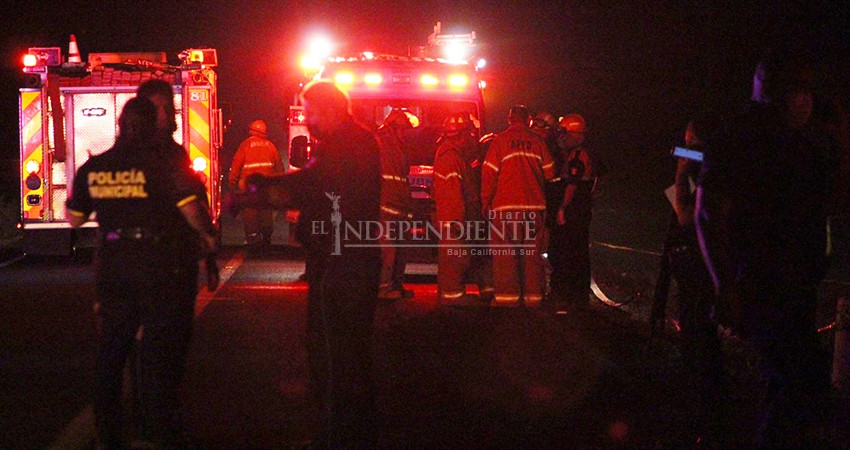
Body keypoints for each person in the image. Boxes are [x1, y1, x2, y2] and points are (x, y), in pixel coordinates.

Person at [696, 48, 839, 448]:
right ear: (771, 92)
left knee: (800, 383)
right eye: (796, 90)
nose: (805, 99)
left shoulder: (805, 143)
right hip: (761, 280)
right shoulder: (742, 138)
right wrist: (726, 286)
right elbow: (711, 213)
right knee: (792, 381)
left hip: (796, 282)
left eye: (809, 91)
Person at [232, 80, 382, 448]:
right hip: (355, 259)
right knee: (353, 353)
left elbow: (309, 185)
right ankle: (356, 432)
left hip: (338, 263)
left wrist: (256, 192)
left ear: (327, 108)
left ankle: (336, 436)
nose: (308, 118)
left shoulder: (343, 146)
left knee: (332, 356)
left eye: (310, 110)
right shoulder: (358, 141)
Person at [66, 97, 217, 449]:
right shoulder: (162, 165)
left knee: (111, 352)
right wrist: (207, 238)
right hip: (156, 264)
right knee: (155, 352)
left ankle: (108, 435)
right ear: (151, 126)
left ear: (120, 125)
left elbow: (74, 218)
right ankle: (152, 432)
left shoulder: (95, 167)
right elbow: (190, 209)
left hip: (113, 265)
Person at [481, 105, 555, 307]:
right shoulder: (538, 142)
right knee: (532, 256)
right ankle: (533, 300)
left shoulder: (499, 142)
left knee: (506, 256)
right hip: (534, 209)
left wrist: (485, 202)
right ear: (529, 120)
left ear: (509, 119)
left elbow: (489, 175)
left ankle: (507, 300)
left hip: (506, 209)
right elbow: (550, 173)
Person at [433, 112, 494, 306]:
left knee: (462, 256)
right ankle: (453, 297)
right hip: (455, 220)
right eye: (469, 134)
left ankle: (456, 295)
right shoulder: (450, 158)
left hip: (459, 219)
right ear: (461, 135)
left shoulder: (456, 157)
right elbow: (452, 195)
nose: (472, 139)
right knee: (454, 258)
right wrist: (457, 223)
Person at [547, 114, 606, 307]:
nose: (561, 138)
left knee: (566, 252)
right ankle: (577, 295)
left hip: (573, 213)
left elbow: (572, 183)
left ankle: (567, 294)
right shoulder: (587, 154)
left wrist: (562, 208)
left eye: (565, 134)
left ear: (576, 135)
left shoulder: (578, 156)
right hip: (581, 211)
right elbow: (600, 177)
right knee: (578, 253)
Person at [376, 110, 416, 300]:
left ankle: (395, 285)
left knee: (399, 249)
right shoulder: (383, 144)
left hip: (398, 204)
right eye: (404, 128)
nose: (406, 133)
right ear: (393, 127)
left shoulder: (398, 146)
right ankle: (383, 289)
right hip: (387, 205)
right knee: (387, 249)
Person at [228, 119, 285, 246]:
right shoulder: (271, 146)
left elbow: (236, 165)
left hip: (249, 186)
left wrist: (232, 182)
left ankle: (252, 237)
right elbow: (279, 167)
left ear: (252, 131)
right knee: (266, 210)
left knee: (250, 211)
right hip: (267, 186)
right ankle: (266, 236)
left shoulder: (245, 145)